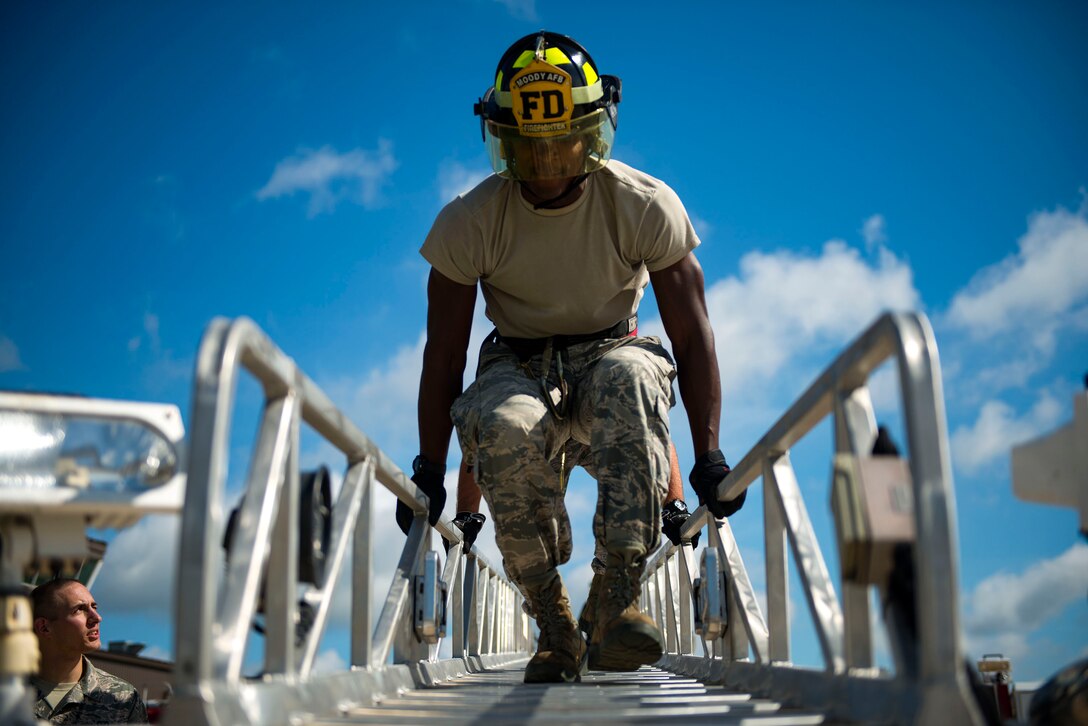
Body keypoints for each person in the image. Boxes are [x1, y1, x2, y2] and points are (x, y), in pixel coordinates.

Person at [404, 30, 745, 684]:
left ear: (590, 134)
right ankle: (554, 623)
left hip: (610, 348)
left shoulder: (643, 203)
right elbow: (443, 355)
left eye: (560, 141)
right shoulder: (468, 223)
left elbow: (693, 333)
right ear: (505, 138)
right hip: (517, 365)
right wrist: (429, 468)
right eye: (530, 146)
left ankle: (615, 602)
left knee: (630, 372)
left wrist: (708, 456)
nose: (548, 160)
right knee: (498, 426)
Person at [450, 440, 701, 672]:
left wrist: (674, 505)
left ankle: (605, 606)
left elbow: (651, 419)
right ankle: (560, 628)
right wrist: (467, 513)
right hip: (546, 417)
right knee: (522, 534)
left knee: (634, 485)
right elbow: (483, 432)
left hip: (596, 411)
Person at [30, 578, 148, 724]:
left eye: (94, 607)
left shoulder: (123, 698)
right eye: (79, 609)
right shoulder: (7, 694)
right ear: (44, 627)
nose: (97, 618)